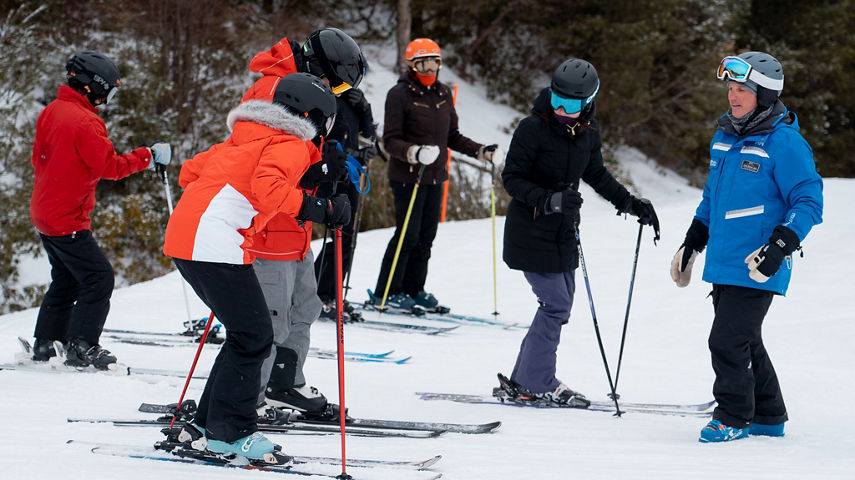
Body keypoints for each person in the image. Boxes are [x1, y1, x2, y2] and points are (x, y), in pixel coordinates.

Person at [163, 73, 343, 462]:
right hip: (215, 243)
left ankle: (206, 425)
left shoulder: (247, 136)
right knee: (255, 337)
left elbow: (189, 172)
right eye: (327, 121)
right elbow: (267, 188)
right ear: (313, 116)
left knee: (246, 335)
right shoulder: (291, 142)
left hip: (186, 238)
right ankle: (232, 433)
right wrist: (320, 208)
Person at [671, 52, 823, 442]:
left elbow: (808, 198)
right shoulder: (724, 137)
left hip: (759, 263)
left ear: (766, 95)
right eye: (731, 88)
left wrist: (781, 245)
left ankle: (733, 416)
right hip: (724, 260)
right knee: (746, 339)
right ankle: (769, 415)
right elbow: (712, 198)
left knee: (726, 340)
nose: (733, 97)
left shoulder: (784, 142)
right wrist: (692, 242)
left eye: (742, 90)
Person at [495, 58, 659, 407]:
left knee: (559, 305)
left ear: (588, 102)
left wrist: (631, 204)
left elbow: (596, 174)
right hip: (531, 230)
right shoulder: (532, 128)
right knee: (555, 305)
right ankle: (537, 380)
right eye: (557, 100)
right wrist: (550, 200)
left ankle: (525, 377)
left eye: (571, 105)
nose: (562, 110)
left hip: (564, 232)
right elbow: (512, 179)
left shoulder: (588, 131)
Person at [240, 29, 363, 416]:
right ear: (317, 65)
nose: (336, 92)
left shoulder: (303, 88)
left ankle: (283, 382)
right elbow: (257, 163)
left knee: (304, 307)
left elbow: (300, 153)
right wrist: (316, 173)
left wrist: (326, 167)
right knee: (269, 320)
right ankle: (247, 400)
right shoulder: (271, 91)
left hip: (296, 224)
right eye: (336, 82)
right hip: (268, 226)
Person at [29, 50, 171, 369]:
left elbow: (38, 158)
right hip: (67, 219)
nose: (109, 97)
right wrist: (147, 156)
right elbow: (110, 167)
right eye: (109, 89)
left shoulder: (52, 110)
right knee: (99, 277)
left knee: (66, 279)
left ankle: (45, 342)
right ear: (92, 86)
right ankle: (82, 346)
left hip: (44, 213)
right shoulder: (85, 121)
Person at [371, 37, 499, 312]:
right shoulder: (399, 95)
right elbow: (390, 141)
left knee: (426, 236)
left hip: (435, 177)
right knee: (408, 235)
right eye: (423, 63)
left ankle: (414, 289)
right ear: (412, 65)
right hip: (408, 178)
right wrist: (414, 152)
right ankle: (386, 293)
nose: (429, 69)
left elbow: (451, 136)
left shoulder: (442, 94)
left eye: (434, 63)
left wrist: (480, 151)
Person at [314, 85, 377, 323]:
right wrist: (352, 153)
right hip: (331, 173)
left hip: (350, 175)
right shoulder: (325, 98)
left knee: (348, 237)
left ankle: (332, 294)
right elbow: (323, 140)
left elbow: (371, 140)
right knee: (336, 234)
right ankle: (320, 295)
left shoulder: (352, 101)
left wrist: (365, 109)